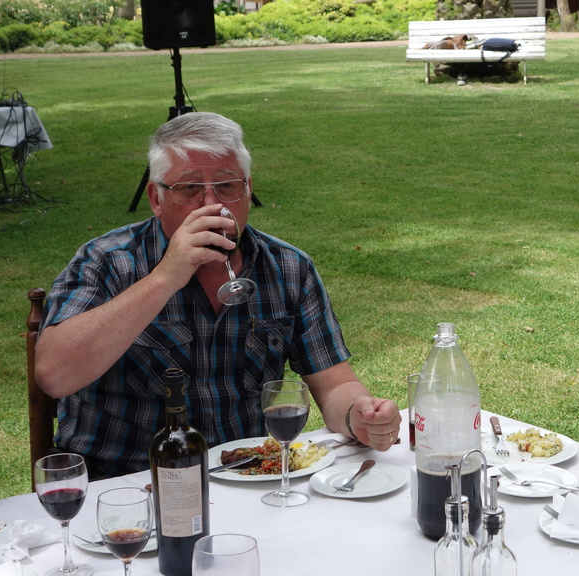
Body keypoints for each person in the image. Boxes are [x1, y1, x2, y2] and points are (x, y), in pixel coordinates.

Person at [35, 112, 401, 478]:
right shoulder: (108, 261)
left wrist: (359, 414)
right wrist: (165, 277)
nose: (212, 204)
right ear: (156, 198)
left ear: (248, 190)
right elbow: (54, 375)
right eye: (189, 188)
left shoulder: (288, 267)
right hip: (124, 481)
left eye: (227, 186)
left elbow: (334, 382)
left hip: (244, 475)